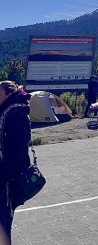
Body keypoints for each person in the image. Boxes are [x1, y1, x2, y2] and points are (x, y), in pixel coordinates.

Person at [0, 81, 31, 245]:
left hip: (7, 181)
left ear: (9, 93)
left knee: (3, 223)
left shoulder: (16, 115)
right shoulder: (6, 112)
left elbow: (17, 154)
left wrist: (3, 179)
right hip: (5, 177)